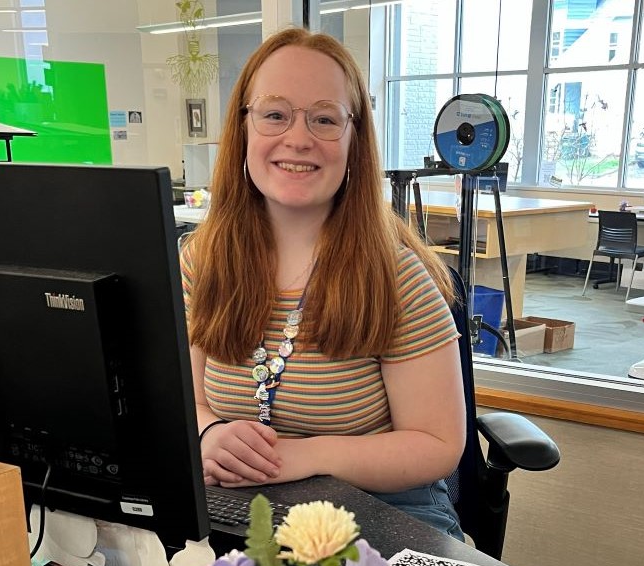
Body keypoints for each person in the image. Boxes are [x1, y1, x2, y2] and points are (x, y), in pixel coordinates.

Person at [181, 27, 466, 539]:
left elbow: (437, 444)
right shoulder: (202, 260)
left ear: (355, 142)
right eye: (275, 113)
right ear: (243, 127)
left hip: (382, 510)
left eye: (324, 119)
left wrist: (305, 455)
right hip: (244, 503)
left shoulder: (396, 276)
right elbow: (186, 395)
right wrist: (209, 433)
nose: (298, 137)